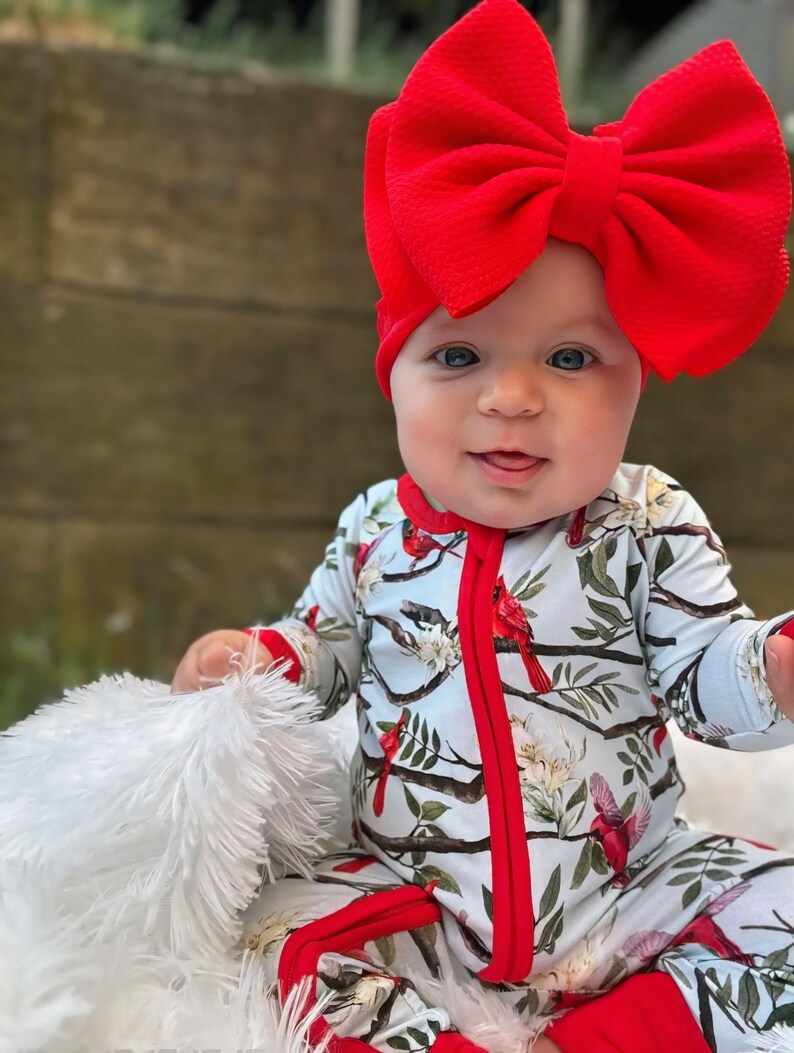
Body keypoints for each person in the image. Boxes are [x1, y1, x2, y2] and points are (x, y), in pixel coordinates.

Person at [170, 1, 794, 1049]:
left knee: (774, 903)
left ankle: (621, 1032)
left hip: (623, 888)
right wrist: (248, 659)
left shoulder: (647, 522)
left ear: (634, 382)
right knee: (281, 946)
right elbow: (317, 653)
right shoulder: (373, 530)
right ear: (394, 380)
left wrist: (770, 665)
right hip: (419, 898)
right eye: (458, 358)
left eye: (566, 359)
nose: (510, 398)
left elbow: (703, 673)